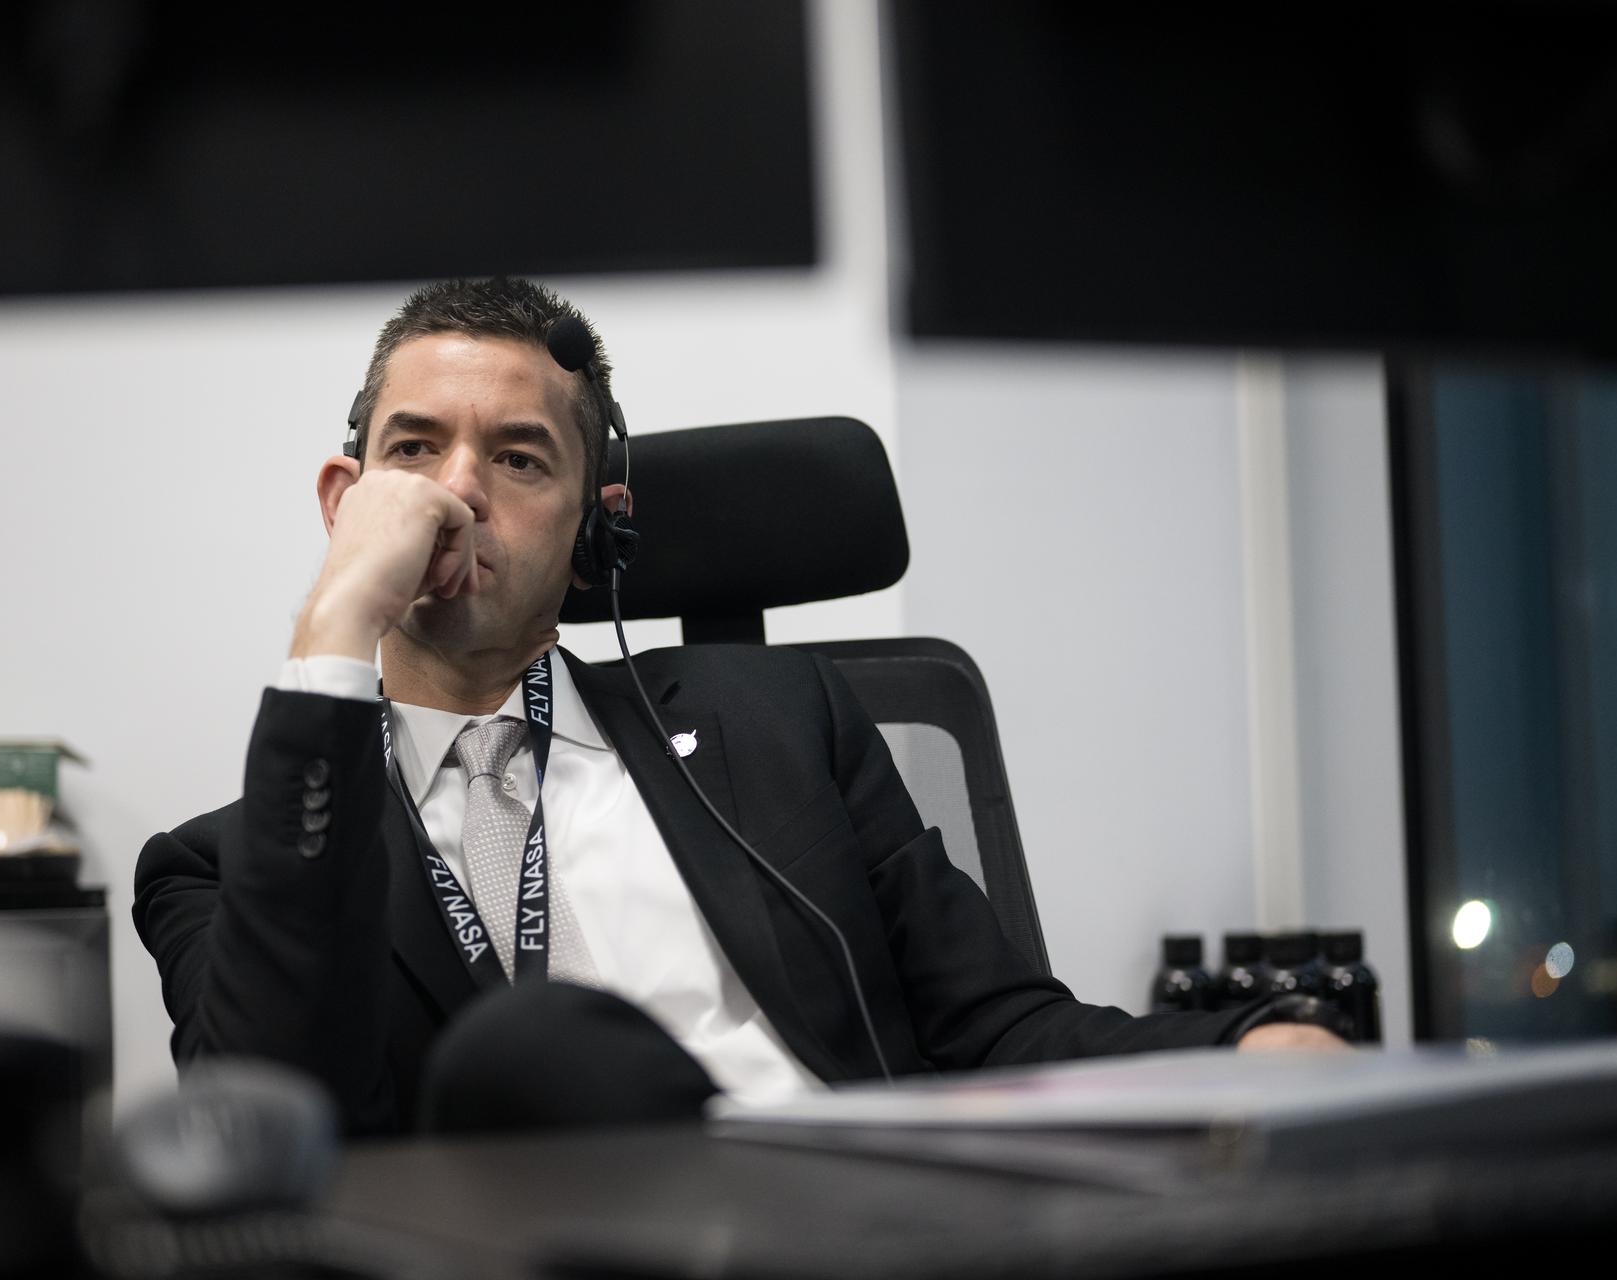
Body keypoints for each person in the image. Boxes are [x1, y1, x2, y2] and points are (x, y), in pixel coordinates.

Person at [133, 276, 1343, 1137]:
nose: (456, 494)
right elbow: (276, 1125)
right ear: (346, 494)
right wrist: (337, 618)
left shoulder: (781, 717)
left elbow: (999, 1027)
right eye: (414, 450)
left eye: (517, 457)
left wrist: (1248, 1040)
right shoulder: (219, 862)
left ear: (598, 523)